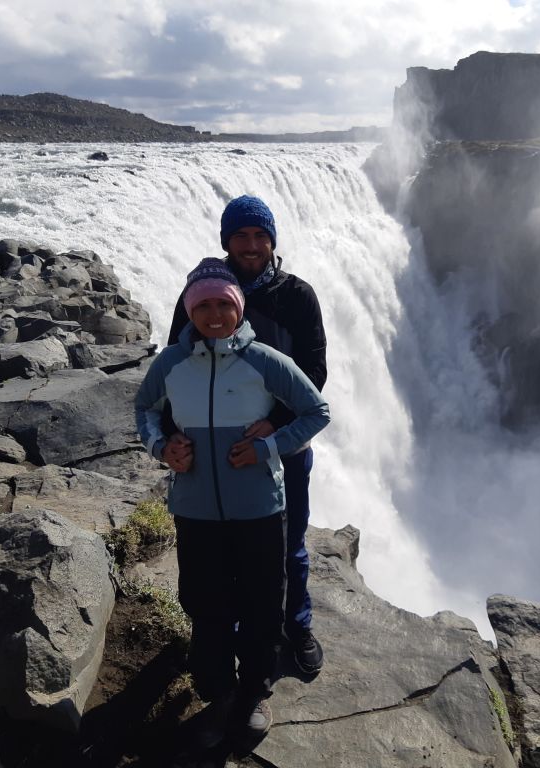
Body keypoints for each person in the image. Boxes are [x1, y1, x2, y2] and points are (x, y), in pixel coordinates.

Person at [135, 257, 330, 740]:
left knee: (263, 602)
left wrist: (269, 445)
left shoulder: (264, 360)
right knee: (205, 599)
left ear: (239, 308)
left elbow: (316, 411)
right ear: (190, 310)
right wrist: (162, 446)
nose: (215, 314)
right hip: (196, 509)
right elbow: (144, 409)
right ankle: (216, 685)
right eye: (204, 305)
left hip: (259, 508)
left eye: (225, 303)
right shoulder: (171, 364)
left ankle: (254, 692)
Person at [162, 195, 329, 675]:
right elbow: (177, 366)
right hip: (218, 449)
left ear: (273, 240)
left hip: (285, 444)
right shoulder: (206, 292)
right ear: (226, 241)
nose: (251, 245)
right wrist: (172, 435)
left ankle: (295, 627)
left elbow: (313, 370)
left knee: (289, 542)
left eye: (260, 236)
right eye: (241, 236)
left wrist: (275, 422)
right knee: (231, 550)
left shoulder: (296, 295)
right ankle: (234, 635)